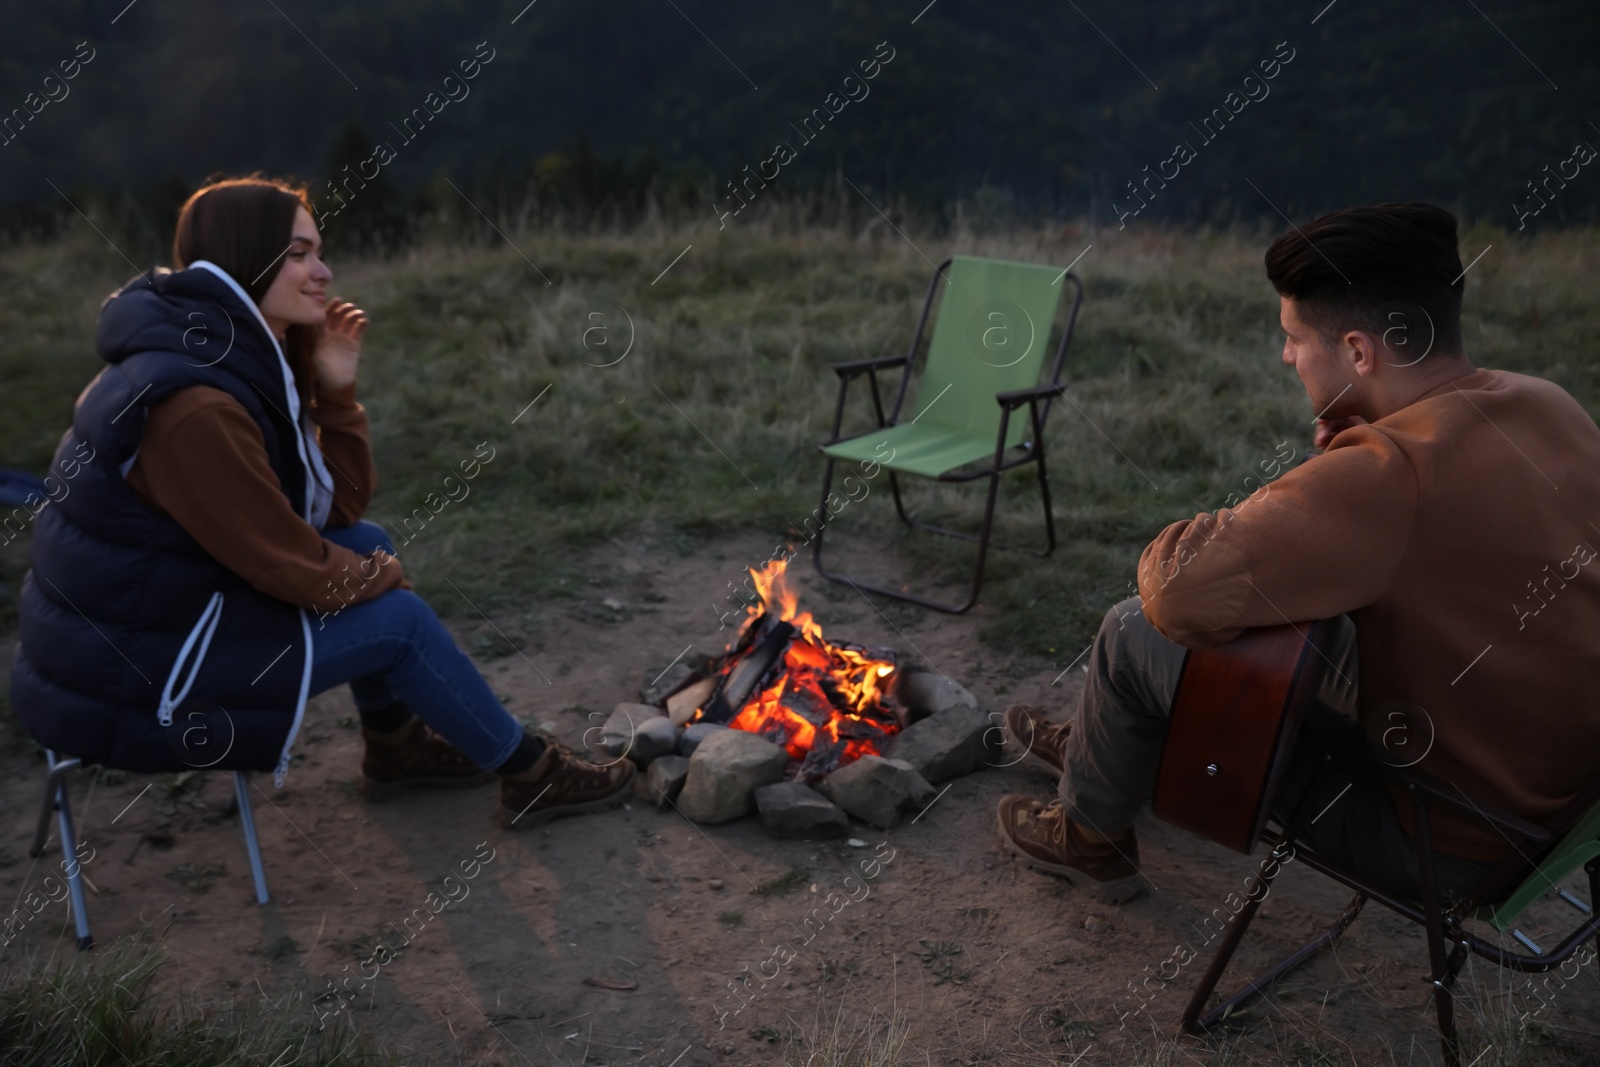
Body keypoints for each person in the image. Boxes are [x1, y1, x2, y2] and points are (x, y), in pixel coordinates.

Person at [995, 202, 1600, 905]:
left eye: (1293, 337)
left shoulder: (1387, 472)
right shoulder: (1548, 403)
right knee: (1295, 601)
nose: (1286, 355)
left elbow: (1179, 593)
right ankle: (1102, 746)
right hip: (1562, 800)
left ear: (1358, 353)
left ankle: (1090, 835)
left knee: (1132, 632)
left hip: (1449, 841)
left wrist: (1328, 474)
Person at [10, 176, 634, 829]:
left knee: (368, 540)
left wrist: (335, 391)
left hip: (156, 625)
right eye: (301, 253)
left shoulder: (212, 352)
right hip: (138, 680)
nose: (324, 272)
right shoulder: (196, 406)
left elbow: (334, 513)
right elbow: (290, 565)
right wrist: (384, 581)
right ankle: (531, 774)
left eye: (319, 252)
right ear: (248, 258)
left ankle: (396, 747)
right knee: (400, 620)